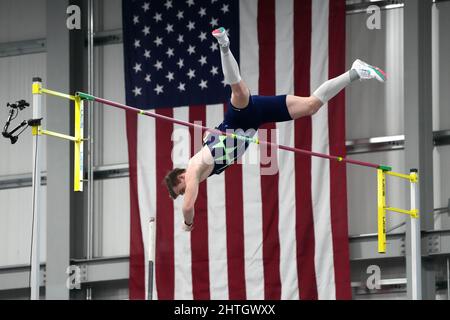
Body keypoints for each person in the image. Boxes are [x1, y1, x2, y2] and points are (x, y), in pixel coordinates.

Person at [164, 27, 386, 231]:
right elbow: (210, 142)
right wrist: (209, 137)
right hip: (256, 119)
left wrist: (187, 224)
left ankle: (223, 44)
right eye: (181, 193)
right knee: (311, 106)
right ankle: (356, 72)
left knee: (239, 91)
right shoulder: (202, 165)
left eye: (181, 190)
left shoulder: (193, 168)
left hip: (239, 121)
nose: (184, 192)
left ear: (181, 176)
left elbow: (187, 207)